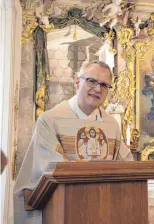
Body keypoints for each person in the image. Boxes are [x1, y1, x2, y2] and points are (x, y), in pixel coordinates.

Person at [13, 60, 133, 224]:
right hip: (62, 208)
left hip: (103, 207)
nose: (97, 89)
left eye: (104, 85)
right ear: (78, 82)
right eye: (92, 81)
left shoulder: (111, 125)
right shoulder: (50, 120)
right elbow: (53, 169)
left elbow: (127, 166)